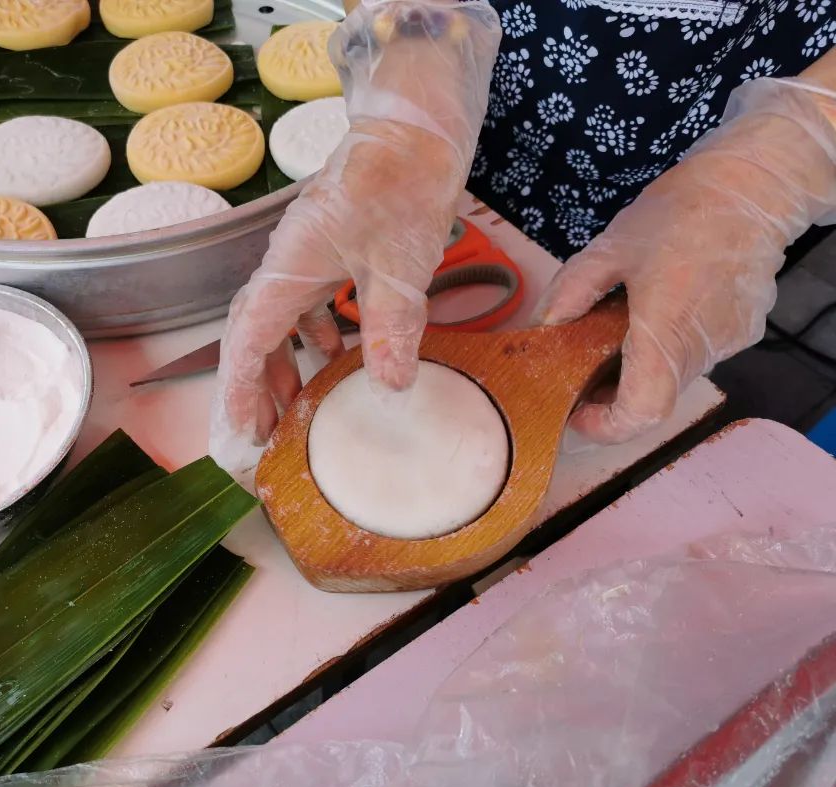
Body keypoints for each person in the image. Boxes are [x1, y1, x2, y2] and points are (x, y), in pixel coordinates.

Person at [209, 0, 836, 471]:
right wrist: (411, 103)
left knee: (661, 360)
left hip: (739, 133)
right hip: (476, 121)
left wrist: (765, 176)